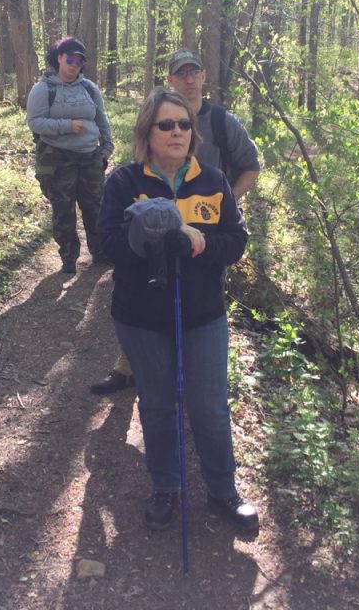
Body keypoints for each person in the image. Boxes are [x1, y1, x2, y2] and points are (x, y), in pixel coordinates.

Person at [98, 88, 259, 532]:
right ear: (147, 133)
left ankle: (224, 491)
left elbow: (237, 242)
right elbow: (108, 244)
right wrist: (149, 238)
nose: (177, 132)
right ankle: (166, 486)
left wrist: (200, 244)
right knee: (158, 404)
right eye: (166, 125)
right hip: (141, 317)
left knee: (208, 406)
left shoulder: (212, 179)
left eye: (184, 124)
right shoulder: (124, 183)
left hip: (203, 314)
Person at [90, 48, 260, 395]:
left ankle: (186, 383)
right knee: (146, 295)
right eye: (181, 73)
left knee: (198, 307)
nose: (189, 79)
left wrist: (224, 203)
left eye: (194, 71)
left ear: (203, 76)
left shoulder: (223, 122)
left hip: (203, 235)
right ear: (169, 80)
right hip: (147, 265)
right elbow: (116, 230)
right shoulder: (132, 170)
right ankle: (132, 369)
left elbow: (251, 167)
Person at [26, 36, 114, 274]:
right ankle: (68, 256)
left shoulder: (89, 88)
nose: (75, 64)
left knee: (95, 205)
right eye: (70, 59)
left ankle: (100, 253)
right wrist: (66, 126)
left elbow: (101, 119)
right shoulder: (44, 89)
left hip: (89, 155)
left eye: (79, 61)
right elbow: (34, 122)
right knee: (63, 207)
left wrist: (106, 148)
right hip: (57, 156)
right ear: (59, 59)